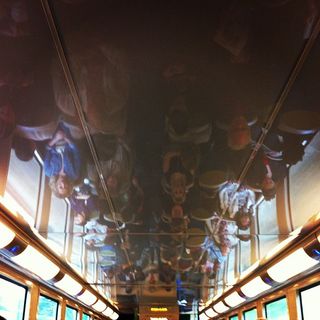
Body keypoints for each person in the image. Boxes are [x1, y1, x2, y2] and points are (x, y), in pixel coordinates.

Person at [44, 123, 81, 198]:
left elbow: (47, 150)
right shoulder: (74, 174)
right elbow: (77, 153)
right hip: (69, 141)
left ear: (55, 186)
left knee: (52, 126)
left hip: (53, 140)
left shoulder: (48, 171)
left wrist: (56, 139)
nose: (63, 184)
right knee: (67, 124)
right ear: (69, 186)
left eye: (60, 187)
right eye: (66, 187)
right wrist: (67, 139)